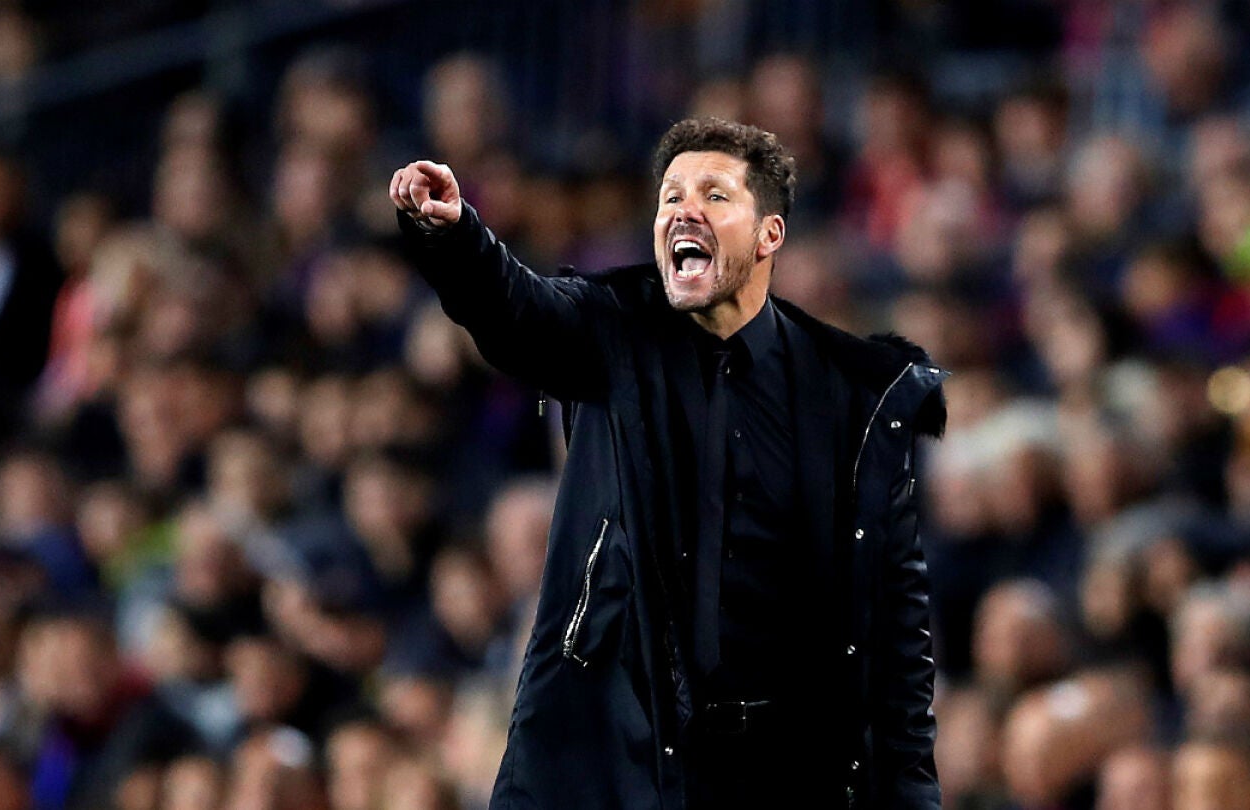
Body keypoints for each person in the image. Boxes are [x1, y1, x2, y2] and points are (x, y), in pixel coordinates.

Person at [390, 117, 947, 810]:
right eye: (671, 196)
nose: (684, 210)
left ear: (769, 234)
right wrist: (456, 236)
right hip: (605, 755)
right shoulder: (612, 328)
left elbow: (895, 643)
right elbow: (515, 308)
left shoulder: (849, 400)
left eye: (714, 195)